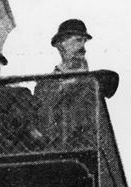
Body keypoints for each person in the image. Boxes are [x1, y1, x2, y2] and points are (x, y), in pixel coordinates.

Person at [36, 19, 118, 149]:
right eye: (78, 40)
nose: (83, 48)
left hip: (84, 144)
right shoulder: (45, 84)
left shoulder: (90, 81)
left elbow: (111, 81)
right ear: (60, 44)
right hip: (56, 146)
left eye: (85, 42)